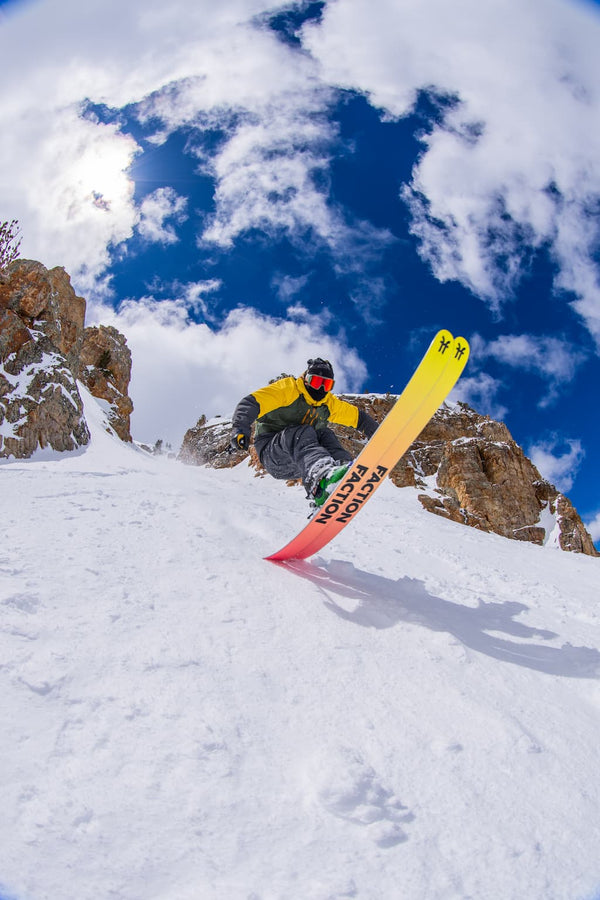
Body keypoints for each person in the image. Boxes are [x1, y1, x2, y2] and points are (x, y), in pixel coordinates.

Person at [231, 357, 378, 507]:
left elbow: (358, 418)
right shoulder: (289, 389)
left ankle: (342, 474)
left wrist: (379, 435)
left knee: (325, 434)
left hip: (301, 463)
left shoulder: (328, 403)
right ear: (306, 379)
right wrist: (240, 428)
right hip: (273, 454)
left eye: (326, 385)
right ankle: (320, 479)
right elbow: (251, 403)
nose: (320, 388)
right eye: (315, 382)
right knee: (302, 431)